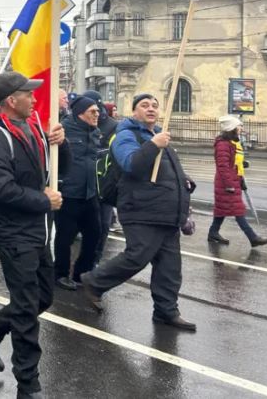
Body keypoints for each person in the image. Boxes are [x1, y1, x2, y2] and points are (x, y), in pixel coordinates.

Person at [0, 72, 68, 399]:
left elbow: (54, 170)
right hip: (12, 232)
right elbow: (0, 189)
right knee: (25, 309)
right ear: (11, 100)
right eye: (29, 94)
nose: (35, 98)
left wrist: (60, 145)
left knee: (43, 297)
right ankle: (28, 385)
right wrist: (43, 200)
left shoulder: (33, 126)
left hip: (38, 229)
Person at [80, 94, 197, 332]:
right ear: (134, 112)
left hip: (166, 213)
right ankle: (93, 282)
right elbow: (131, 164)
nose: (151, 109)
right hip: (141, 209)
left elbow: (166, 171)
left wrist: (183, 186)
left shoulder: (158, 136)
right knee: (137, 256)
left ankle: (166, 311)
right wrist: (154, 145)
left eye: (154, 105)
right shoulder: (126, 135)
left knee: (169, 267)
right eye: (145, 105)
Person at [54, 96, 102, 290]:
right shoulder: (63, 130)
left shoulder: (95, 132)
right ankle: (60, 274)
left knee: (94, 234)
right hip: (69, 193)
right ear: (80, 113)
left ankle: (82, 272)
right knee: (65, 237)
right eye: (93, 111)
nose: (97, 114)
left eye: (98, 111)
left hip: (90, 193)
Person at [207, 116, 267, 247]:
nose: (241, 128)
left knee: (222, 210)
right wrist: (229, 185)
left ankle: (213, 233)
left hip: (231, 181)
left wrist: (242, 165)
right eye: (239, 126)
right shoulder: (223, 144)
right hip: (226, 184)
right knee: (238, 210)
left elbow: (232, 162)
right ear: (232, 128)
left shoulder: (230, 143)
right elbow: (223, 166)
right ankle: (253, 238)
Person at [82, 90, 121, 256]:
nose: (94, 113)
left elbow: (115, 153)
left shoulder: (113, 126)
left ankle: (96, 256)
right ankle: (83, 257)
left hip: (105, 183)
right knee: (85, 224)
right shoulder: (78, 123)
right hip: (84, 183)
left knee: (103, 224)